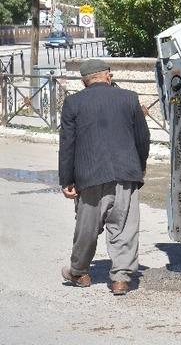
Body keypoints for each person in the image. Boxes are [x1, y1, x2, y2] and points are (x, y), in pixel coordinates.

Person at [58, 59, 150, 295]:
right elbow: (143, 137)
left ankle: (79, 272)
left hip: (89, 175)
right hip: (125, 173)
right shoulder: (129, 98)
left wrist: (67, 180)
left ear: (84, 82)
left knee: (87, 228)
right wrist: (139, 167)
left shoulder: (73, 103)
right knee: (124, 227)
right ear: (108, 75)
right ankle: (120, 279)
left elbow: (67, 144)